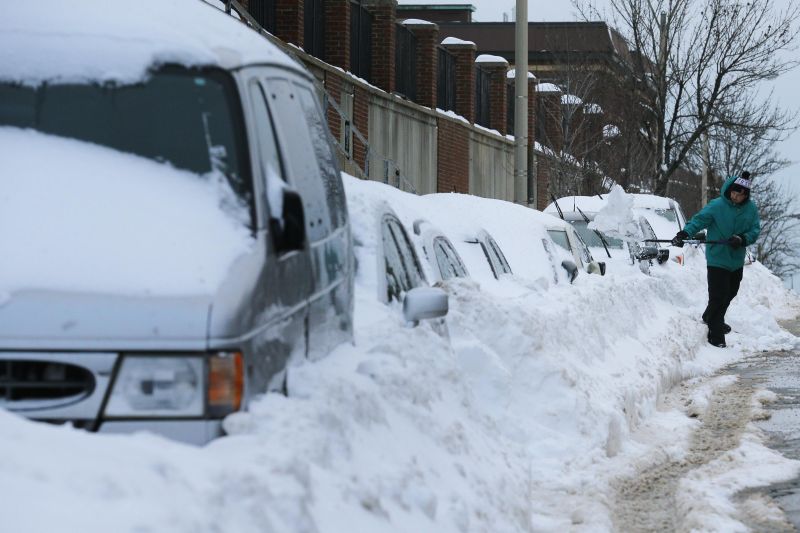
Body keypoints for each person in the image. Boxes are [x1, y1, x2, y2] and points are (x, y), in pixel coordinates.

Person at [671, 171, 760, 348]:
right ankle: (716, 335)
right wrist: (684, 233)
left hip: (736, 260)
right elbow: (699, 221)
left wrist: (742, 239)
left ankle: (710, 316)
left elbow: (754, 231)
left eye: (742, 195)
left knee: (730, 293)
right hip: (717, 258)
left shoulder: (751, 210)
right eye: (736, 192)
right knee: (718, 295)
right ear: (730, 190)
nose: (738, 197)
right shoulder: (717, 205)